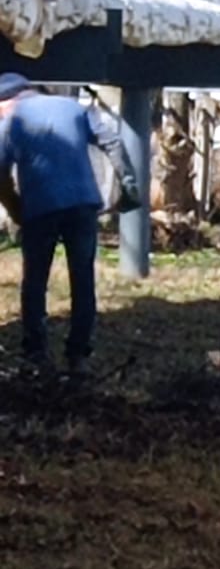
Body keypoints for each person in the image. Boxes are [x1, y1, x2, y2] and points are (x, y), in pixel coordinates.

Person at [0, 72, 126, 375]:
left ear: (6, 101)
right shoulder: (74, 108)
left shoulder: (12, 121)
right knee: (83, 280)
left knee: (35, 282)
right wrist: (129, 186)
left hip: (40, 208)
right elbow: (111, 139)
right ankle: (78, 355)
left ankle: (36, 354)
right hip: (83, 203)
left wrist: (16, 209)